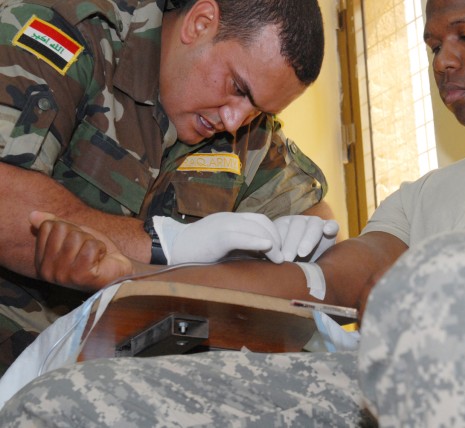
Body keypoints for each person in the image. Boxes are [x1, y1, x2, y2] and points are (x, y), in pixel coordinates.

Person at [1, 0, 465, 426]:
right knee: (66, 406)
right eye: (431, 43)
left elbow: (326, 237)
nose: (443, 59)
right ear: (198, 23)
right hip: (403, 382)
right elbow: (326, 282)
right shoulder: (423, 195)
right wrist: (141, 268)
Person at [0, 0, 334, 375]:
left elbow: (313, 209)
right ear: (200, 23)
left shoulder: (244, 125)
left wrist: (311, 244)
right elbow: (6, 203)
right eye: (237, 88)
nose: (235, 120)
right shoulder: (75, 31)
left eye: (260, 111)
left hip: (120, 372)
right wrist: (166, 247)